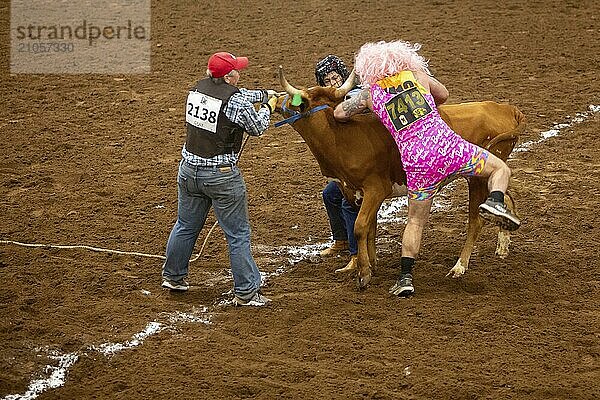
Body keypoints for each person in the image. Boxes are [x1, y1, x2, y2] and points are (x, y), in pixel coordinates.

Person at [333, 40, 521, 297]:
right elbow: (443, 95)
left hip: (417, 163)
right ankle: (496, 201)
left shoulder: (370, 95)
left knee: (415, 220)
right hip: (449, 148)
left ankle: (405, 277)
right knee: (499, 169)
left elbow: (340, 114)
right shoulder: (418, 76)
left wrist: (369, 102)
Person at [161, 51, 278, 307]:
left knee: (185, 225)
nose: (240, 73)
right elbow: (257, 127)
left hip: (188, 171)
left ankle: (173, 276)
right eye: (237, 70)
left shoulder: (197, 89)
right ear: (229, 76)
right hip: (222, 177)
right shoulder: (235, 100)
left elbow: (236, 97)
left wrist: (264, 93)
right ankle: (247, 291)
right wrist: (269, 106)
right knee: (238, 234)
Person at [314, 55, 361, 269]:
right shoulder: (326, 99)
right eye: (327, 81)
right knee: (330, 195)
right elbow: (299, 102)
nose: (332, 83)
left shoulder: (356, 95)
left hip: (361, 163)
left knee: (347, 202)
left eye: (335, 78)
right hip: (345, 164)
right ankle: (341, 240)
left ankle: (356, 254)